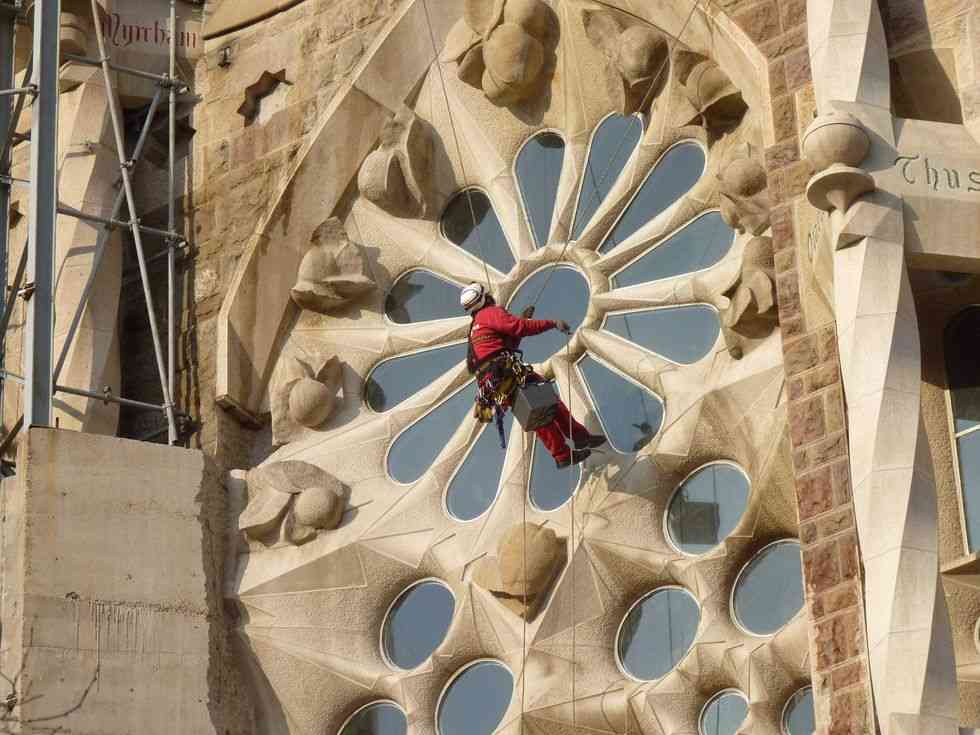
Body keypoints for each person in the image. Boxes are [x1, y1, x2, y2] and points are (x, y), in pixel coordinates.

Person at [461, 282, 606, 468]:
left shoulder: (475, 327)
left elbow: (507, 345)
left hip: (495, 380)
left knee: (542, 406)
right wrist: (552, 323)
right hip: (505, 373)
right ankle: (567, 449)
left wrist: (522, 320)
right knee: (540, 408)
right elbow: (519, 328)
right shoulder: (489, 313)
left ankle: (574, 442)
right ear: (484, 297)